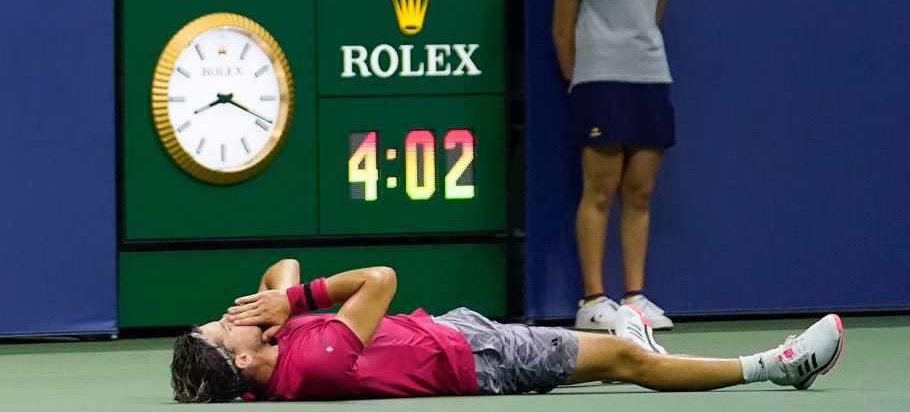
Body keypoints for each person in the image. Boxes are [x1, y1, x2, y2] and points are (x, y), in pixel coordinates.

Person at [170, 259, 844, 402]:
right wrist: (295, 297)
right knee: (621, 362)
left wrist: (272, 303)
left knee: (604, 354)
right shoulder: (310, 359)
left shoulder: (262, 363)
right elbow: (381, 279)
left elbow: (277, 268)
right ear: (243, 361)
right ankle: (776, 365)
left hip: (456, 335)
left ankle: (636, 344)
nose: (230, 318)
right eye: (223, 329)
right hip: (475, 360)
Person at [552, 0, 679, 331]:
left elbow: (654, 12)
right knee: (599, 191)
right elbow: (562, 30)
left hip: (650, 78)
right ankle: (592, 301)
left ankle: (634, 299)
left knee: (640, 192)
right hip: (598, 84)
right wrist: (582, 81)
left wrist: (634, 51)